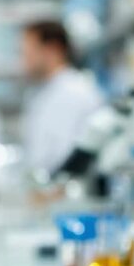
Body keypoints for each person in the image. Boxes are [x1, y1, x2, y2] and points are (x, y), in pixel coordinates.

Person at [21, 21, 104, 173]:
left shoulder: (77, 92)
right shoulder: (41, 93)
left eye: (28, 52)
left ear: (52, 49)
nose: (24, 60)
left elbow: (69, 157)